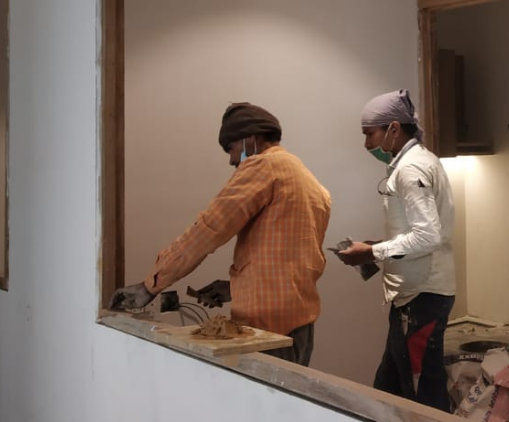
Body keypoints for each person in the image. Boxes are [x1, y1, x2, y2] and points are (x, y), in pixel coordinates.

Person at [109, 102, 331, 367]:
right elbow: (291, 261)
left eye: (230, 148)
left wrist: (151, 285)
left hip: (265, 331)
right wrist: (235, 287)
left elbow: (208, 231)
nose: (232, 160)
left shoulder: (263, 166)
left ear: (250, 138)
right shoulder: (307, 180)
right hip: (300, 327)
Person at [336, 89, 456, 411]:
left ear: (393, 128)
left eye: (369, 134)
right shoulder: (416, 162)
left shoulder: (411, 169)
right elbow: (419, 232)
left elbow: (427, 236)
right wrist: (376, 246)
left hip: (421, 298)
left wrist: (371, 253)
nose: (366, 144)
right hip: (411, 298)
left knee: (423, 395)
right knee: (387, 390)